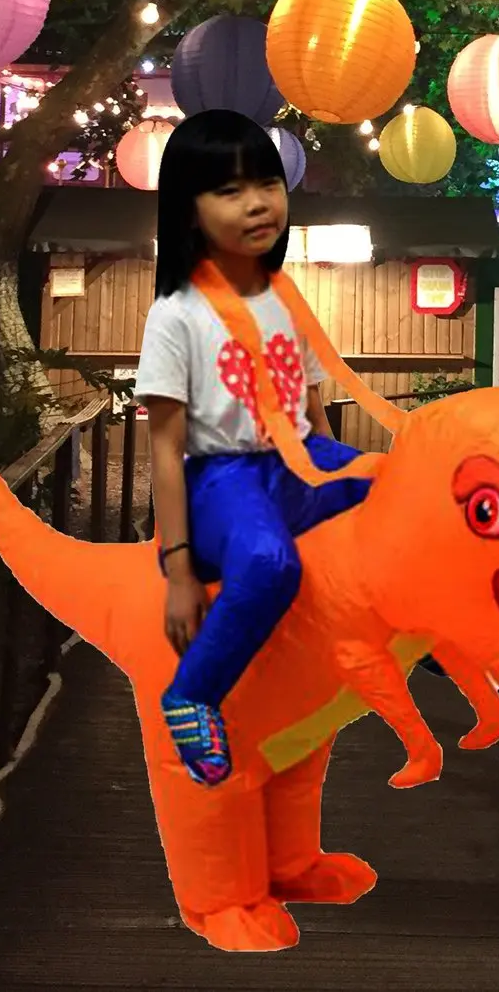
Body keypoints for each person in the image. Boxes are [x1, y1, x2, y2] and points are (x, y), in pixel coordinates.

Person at [133, 109, 372, 787]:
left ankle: (416, 622)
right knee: (269, 562)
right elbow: (165, 448)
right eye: (229, 190)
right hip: (222, 479)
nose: (258, 202)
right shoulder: (177, 314)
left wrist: (343, 480)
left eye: (267, 183)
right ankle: (193, 691)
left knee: (395, 481)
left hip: (294, 461)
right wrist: (179, 571)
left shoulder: (287, 301)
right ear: (189, 209)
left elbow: (313, 412)